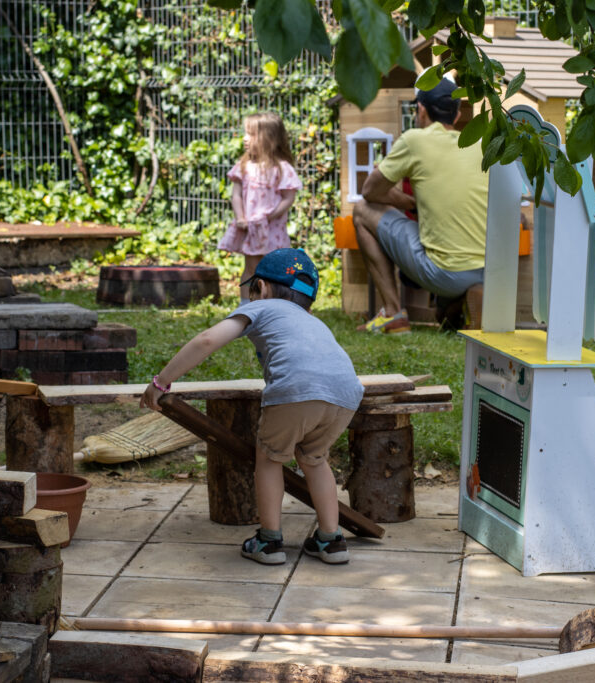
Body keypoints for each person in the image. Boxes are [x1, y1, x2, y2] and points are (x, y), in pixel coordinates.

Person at [140, 248, 364, 565]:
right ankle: (331, 540)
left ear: (262, 288)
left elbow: (207, 340)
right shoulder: (312, 319)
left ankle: (269, 541)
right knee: (314, 458)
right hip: (346, 393)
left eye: (251, 290)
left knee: (270, 459)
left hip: (296, 390)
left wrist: (162, 381)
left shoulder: (261, 308)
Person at [351, 78, 489, 334]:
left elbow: (370, 191)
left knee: (361, 211)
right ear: (457, 114)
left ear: (421, 110)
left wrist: (407, 202)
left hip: (444, 274)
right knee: (443, 321)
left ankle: (392, 313)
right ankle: (467, 299)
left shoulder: (415, 140)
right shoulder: (479, 145)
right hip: (489, 269)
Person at [218, 113, 302, 305]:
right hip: (252, 230)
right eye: (245, 133)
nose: (245, 139)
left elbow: (288, 198)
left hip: (273, 231)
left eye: (251, 134)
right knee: (251, 267)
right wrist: (241, 217)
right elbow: (237, 194)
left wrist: (271, 215)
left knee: (276, 269)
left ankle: (277, 304)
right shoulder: (244, 166)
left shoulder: (282, 168)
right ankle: (246, 306)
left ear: (269, 138)